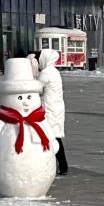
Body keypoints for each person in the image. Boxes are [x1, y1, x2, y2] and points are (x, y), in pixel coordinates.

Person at [36, 46, 68, 175]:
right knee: (56, 136)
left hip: (49, 108)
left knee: (49, 136)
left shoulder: (46, 72)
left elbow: (38, 88)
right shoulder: (55, 71)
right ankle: (63, 165)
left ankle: (56, 165)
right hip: (57, 107)